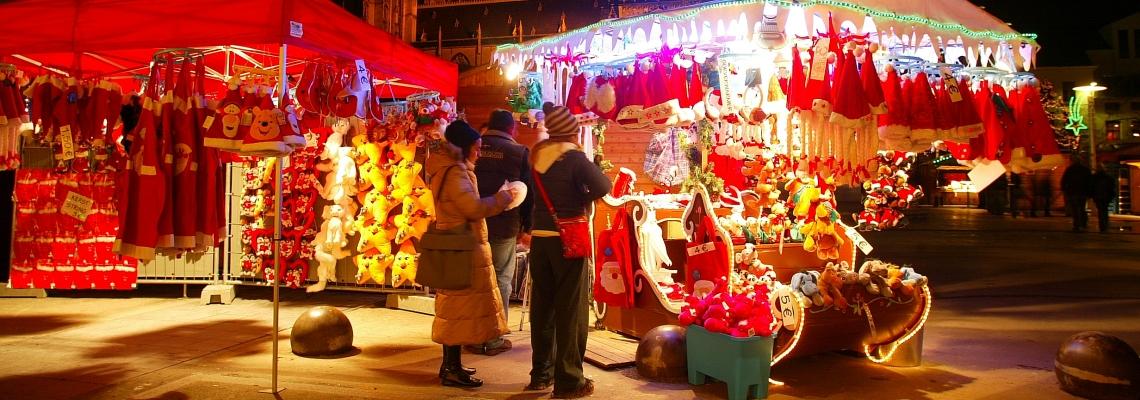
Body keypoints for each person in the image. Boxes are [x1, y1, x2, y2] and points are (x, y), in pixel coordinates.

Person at [425, 120, 521, 388]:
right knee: (457, 307)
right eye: (476, 149)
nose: (479, 153)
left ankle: (452, 365)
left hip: (457, 244)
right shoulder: (456, 173)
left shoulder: (451, 169)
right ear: (464, 148)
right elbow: (473, 208)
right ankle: (450, 369)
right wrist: (503, 198)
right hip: (461, 246)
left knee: (457, 308)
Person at [526, 105, 611, 398]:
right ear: (572, 131)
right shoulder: (574, 158)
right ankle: (570, 381)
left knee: (543, 307)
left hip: (540, 239)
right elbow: (603, 185)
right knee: (571, 310)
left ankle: (541, 374)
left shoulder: (537, 156)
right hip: (568, 241)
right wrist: (581, 195)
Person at [470, 109, 534, 355]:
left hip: (473, 223)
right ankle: (494, 336)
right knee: (501, 280)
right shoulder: (519, 152)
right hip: (504, 225)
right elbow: (528, 195)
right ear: (511, 129)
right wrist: (526, 227)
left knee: (476, 279)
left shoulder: (473, 147)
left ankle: (473, 335)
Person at [1060, 160, 1092, 232]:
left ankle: (1076, 224)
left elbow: (1064, 180)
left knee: (1075, 209)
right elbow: (1089, 182)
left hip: (1072, 192)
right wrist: (1089, 193)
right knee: (1082, 208)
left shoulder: (1070, 169)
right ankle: (1083, 223)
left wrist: (1065, 190)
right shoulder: (1085, 170)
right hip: (1082, 192)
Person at [1090, 167, 1116, 233]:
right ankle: (1105, 225)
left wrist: (1092, 195)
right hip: (1106, 197)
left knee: (1100, 211)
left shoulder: (1094, 178)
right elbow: (1112, 187)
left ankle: (1102, 225)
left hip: (1098, 196)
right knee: (1104, 210)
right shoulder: (1108, 177)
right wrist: (1112, 195)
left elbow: (1091, 187)